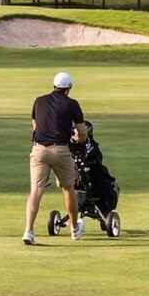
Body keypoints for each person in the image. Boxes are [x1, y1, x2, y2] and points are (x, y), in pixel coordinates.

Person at [23, 71, 85, 245]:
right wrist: (78, 139)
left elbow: (34, 126)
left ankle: (28, 231)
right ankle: (74, 230)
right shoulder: (72, 104)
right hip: (60, 150)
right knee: (68, 188)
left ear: (54, 85)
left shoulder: (39, 100)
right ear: (69, 88)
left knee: (35, 190)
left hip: (39, 150)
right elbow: (82, 132)